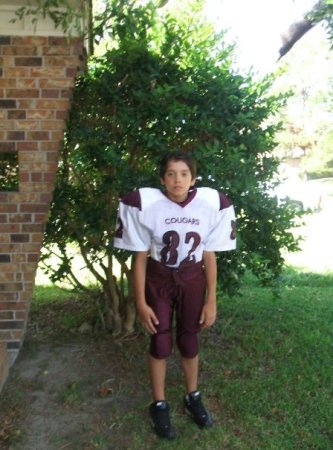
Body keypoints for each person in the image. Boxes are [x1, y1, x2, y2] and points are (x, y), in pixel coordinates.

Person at [114, 151, 236, 439]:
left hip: (193, 277)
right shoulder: (147, 204)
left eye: (183, 173)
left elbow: (209, 255)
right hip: (159, 277)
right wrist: (141, 302)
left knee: (190, 338)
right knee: (161, 340)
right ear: (162, 179)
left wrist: (212, 299)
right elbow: (140, 257)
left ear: (193, 179)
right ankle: (159, 403)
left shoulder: (209, 204)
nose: (177, 179)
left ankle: (192, 396)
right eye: (171, 173)